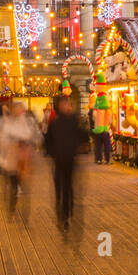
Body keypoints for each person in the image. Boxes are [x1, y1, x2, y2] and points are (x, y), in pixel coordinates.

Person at [44, 94, 84, 231]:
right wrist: (52, 153)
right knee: (59, 187)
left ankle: (66, 215)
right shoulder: (55, 122)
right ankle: (62, 209)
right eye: (63, 104)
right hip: (59, 160)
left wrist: (77, 148)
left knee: (67, 187)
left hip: (70, 160)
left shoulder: (74, 120)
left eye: (66, 104)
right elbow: (48, 140)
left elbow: (82, 135)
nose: (65, 106)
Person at [0, 101, 39, 216]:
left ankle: (25, 211)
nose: (20, 112)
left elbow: (31, 135)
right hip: (11, 158)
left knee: (23, 185)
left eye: (22, 109)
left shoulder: (25, 121)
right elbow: (1, 139)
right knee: (13, 185)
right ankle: (11, 207)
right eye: (19, 109)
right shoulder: (7, 122)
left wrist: (25, 141)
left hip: (23, 159)